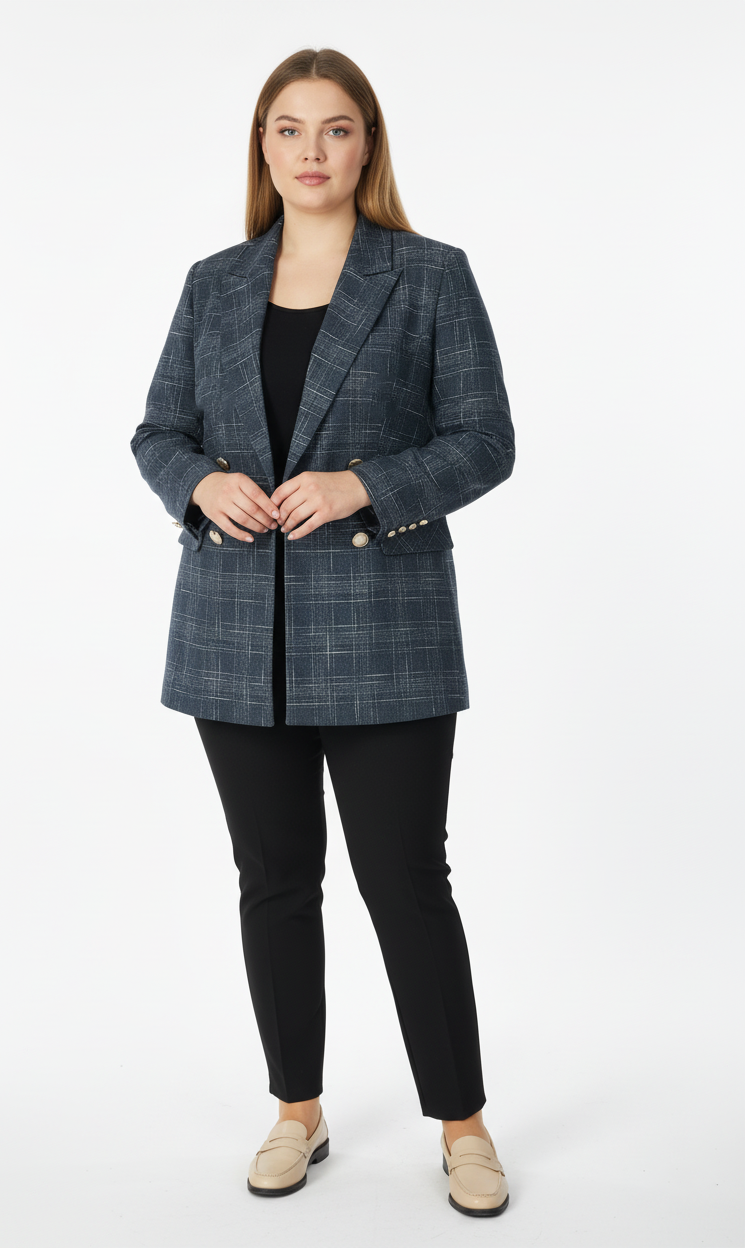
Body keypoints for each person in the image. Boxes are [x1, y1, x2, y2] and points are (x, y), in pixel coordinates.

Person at [130, 47, 515, 1217]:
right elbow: (157, 430)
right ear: (263, 146)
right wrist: (199, 483)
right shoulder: (213, 283)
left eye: (335, 128)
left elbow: (484, 441)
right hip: (233, 628)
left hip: (384, 629)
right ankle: (296, 1109)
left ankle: (462, 1125)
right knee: (274, 882)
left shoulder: (428, 275)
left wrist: (364, 486)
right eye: (288, 129)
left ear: (366, 145)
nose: (311, 150)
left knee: (405, 882)